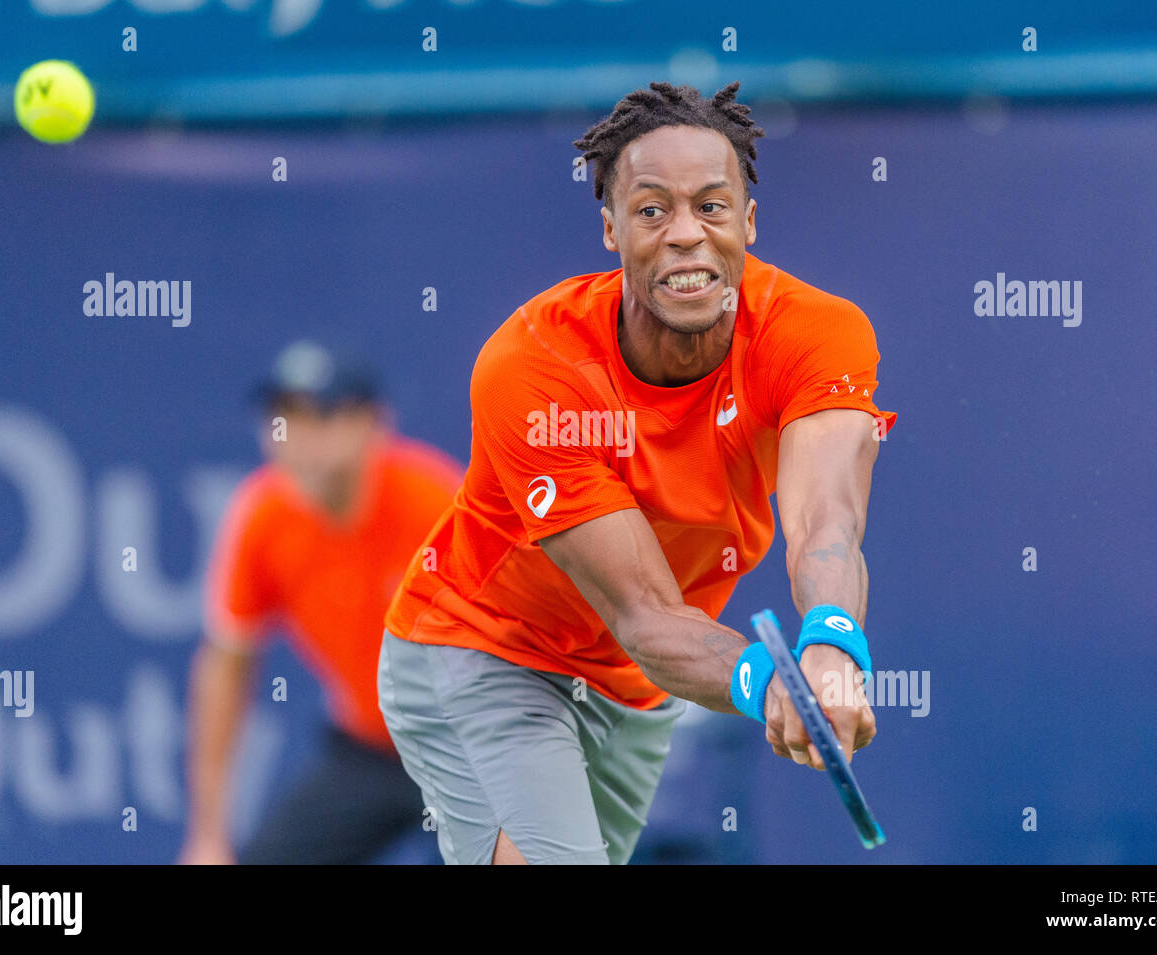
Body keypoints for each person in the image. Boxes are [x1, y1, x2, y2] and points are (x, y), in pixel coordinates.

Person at [377, 81, 900, 865]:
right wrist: (772, 682)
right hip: (484, 648)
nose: (686, 233)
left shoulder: (820, 334)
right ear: (611, 230)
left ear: (748, 223)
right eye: (653, 210)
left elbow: (826, 518)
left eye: (713, 207)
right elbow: (646, 614)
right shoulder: (533, 366)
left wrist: (830, 643)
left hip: (638, 691)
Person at [179, 341, 463, 864]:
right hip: (367, 751)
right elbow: (226, 667)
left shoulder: (437, 503)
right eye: (283, 419)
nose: (298, 438)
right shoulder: (261, 518)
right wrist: (208, 836)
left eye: (322, 416)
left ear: (374, 424)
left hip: (469, 749)